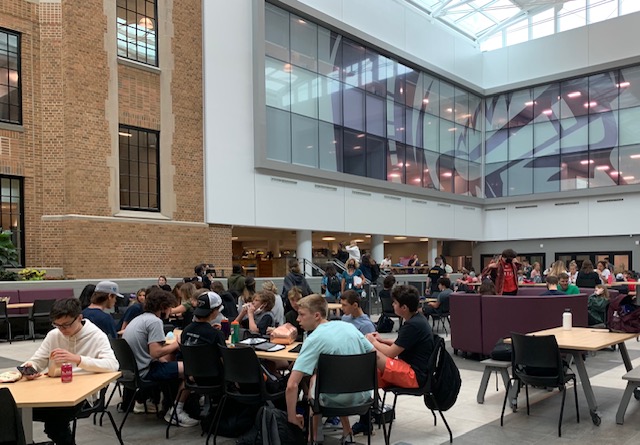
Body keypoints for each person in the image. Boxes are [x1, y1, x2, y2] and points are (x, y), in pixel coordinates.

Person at [20, 298, 119, 445]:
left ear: (79, 318)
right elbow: (38, 360)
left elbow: (113, 364)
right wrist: (29, 368)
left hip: (83, 396)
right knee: (16, 411)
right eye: (57, 325)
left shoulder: (96, 335)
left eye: (66, 325)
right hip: (54, 391)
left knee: (55, 422)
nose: (62, 330)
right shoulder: (54, 335)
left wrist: (78, 359)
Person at [285, 294, 374, 444]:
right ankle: (347, 431)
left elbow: (292, 385)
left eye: (301, 314)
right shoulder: (349, 328)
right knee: (334, 379)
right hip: (363, 397)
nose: (297, 319)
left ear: (317, 316)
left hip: (334, 400)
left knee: (315, 380)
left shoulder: (313, 339)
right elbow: (373, 355)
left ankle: (313, 437)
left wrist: (292, 417)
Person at [362, 285, 434, 435]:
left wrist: (372, 342)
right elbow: (399, 345)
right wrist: (381, 341)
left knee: (372, 357)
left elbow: (389, 354)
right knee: (370, 371)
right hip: (414, 369)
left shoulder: (412, 325)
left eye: (395, 303)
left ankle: (366, 415)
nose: (392, 305)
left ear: (404, 307)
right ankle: (368, 415)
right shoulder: (417, 320)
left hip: (415, 375)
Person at [122, 288, 200, 427]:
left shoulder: (139, 319)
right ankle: (176, 412)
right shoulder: (154, 322)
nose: (171, 311)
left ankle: (167, 404)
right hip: (145, 372)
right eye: (170, 308)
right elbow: (155, 352)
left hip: (133, 371)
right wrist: (177, 344)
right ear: (164, 307)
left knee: (170, 361)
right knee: (192, 369)